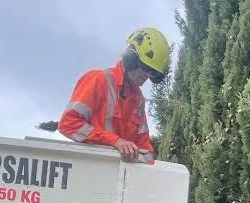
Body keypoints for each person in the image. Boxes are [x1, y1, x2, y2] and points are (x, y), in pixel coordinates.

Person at [58, 28, 170, 162]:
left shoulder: (138, 100)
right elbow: (67, 124)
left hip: (120, 177)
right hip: (90, 169)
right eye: (146, 68)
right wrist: (115, 141)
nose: (146, 76)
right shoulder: (97, 80)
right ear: (131, 59)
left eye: (152, 72)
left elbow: (145, 148)